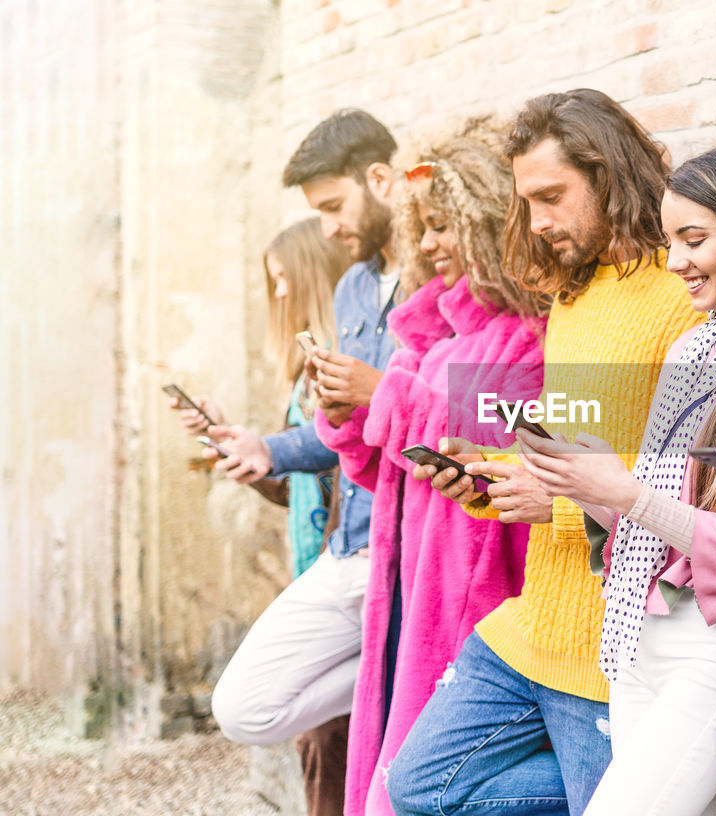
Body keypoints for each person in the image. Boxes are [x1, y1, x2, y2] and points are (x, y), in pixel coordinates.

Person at [385, 89, 702, 816]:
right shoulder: (573, 295)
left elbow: (690, 484)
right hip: (532, 624)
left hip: (611, 650)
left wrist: (558, 502)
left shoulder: (681, 295)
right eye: (527, 202)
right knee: (418, 786)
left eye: (552, 197)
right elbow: (577, 445)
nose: (538, 222)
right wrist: (500, 477)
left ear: (608, 172)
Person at [517, 145, 716, 816]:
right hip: (641, 634)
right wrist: (587, 483)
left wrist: (626, 492)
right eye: (670, 242)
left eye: (693, 239)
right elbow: (656, 521)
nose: (674, 263)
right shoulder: (692, 349)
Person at [313, 120, 549, 816]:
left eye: (444, 226)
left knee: (431, 782)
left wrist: (378, 392)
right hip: (405, 581)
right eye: (424, 227)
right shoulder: (432, 331)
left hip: (468, 591)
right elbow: (385, 475)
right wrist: (346, 412)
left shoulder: (527, 338)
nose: (429, 245)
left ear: (487, 223)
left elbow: (483, 445)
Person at [203, 111, 404, 816]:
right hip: (348, 548)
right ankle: (394, 664)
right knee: (244, 706)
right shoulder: (353, 291)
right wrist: (269, 449)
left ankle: (402, 667)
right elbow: (336, 430)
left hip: (414, 555)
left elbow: (473, 408)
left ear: (380, 179)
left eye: (333, 207)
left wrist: (383, 392)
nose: (328, 229)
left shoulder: (438, 290)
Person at [168, 216, 351, 816]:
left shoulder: (345, 370)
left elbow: (337, 471)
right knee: (317, 744)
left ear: (314, 275)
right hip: (314, 572)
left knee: (328, 744)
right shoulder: (304, 375)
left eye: (283, 279)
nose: (278, 294)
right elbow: (295, 489)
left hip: (346, 576)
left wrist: (270, 449)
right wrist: (233, 445)